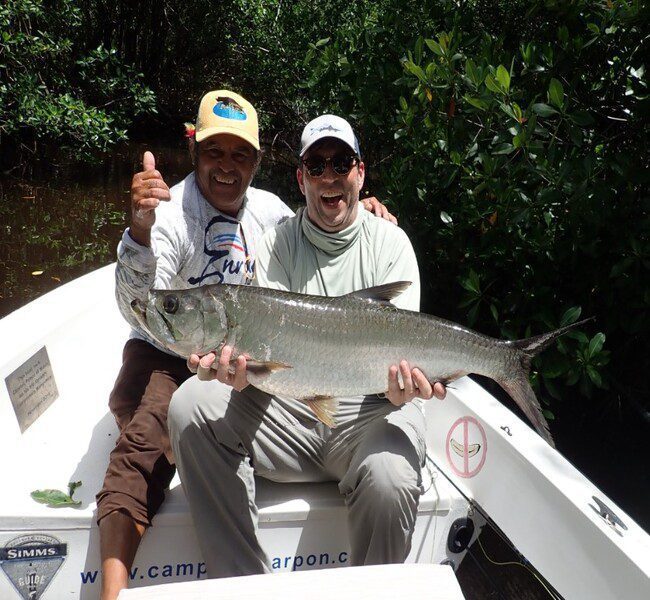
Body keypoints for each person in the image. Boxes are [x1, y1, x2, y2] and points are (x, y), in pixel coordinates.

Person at [97, 92, 394, 600]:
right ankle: (112, 589)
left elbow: (322, 225)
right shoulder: (167, 212)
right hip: (169, 349)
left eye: (241, 155)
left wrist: (362, 214)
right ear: (195, 152)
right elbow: (140, 308)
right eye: (215, 152)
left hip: (241, 353)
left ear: (257, 162)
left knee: (214, 411)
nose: (227, 167)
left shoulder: (274, 214)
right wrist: (140, 233)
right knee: (150, 434)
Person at [167, 114, 446, 579]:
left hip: (371, 415)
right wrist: (242, 370)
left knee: (391, 477)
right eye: (316, 166)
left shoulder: (392, 243)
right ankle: (245, 584)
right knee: (190, 405)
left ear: (360, 172)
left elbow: (400, 373)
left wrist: (405, 388)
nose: (330, 177)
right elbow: (272, 366)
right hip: (289, 413)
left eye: (341, 162)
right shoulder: (276, 243)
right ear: (301, 179)